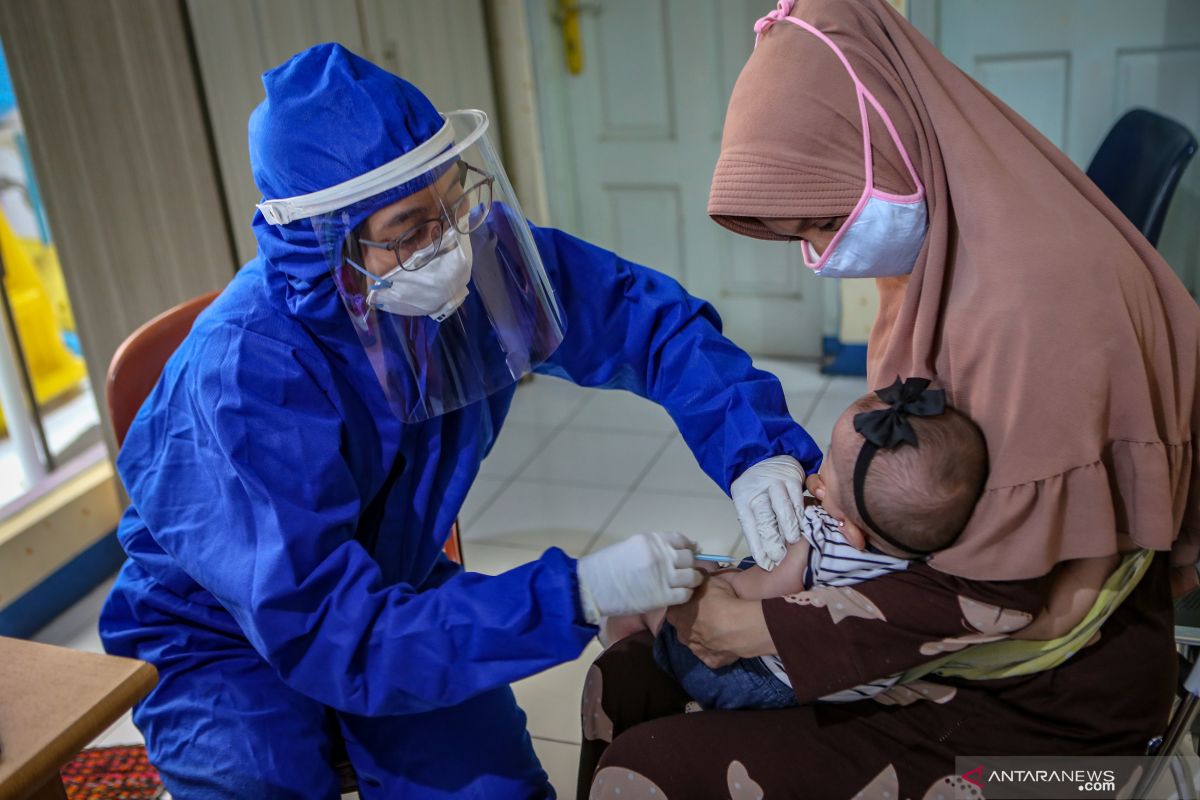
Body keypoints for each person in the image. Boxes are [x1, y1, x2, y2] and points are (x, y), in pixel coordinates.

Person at [98, 43, 823, 799]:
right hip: (220, 633)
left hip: (391, 590)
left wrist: (756, 451)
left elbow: (649, 325)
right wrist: (574, 593)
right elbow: (327, 626)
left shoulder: (473, 263)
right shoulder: (245, 379)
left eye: (453, 200)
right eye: (410, 227)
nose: (448, 243)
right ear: (329, 254)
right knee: (258, 783)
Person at [579, 1, 1200, 797]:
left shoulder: (1040, 312)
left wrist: (755, 620)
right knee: (626, 675)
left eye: (827, 221)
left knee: (645, 771)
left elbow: (1006, 594)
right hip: (950, 655)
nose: (819, 254)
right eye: (803, 232)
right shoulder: (951, 255)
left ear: (887, 144)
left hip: (1055, 732)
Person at [650, 381, 988, 711]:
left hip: (761, 685)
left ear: (851, 530)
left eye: (829, 472)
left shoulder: (819, 547)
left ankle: (646, 642)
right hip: (846, 687)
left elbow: (749, 591)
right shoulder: (929, 556)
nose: (818, 477)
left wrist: (714, 578)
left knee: (682, 586)